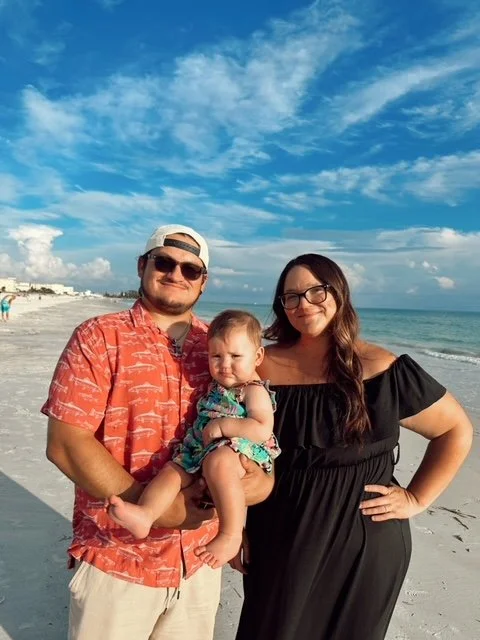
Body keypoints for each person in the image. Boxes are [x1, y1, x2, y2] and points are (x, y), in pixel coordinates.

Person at [43, 224, 273, 640]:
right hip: (117, 557)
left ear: (203, 283)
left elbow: (257, 434)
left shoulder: (221, 346)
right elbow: (66, 444)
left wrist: (254, 487)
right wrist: (152, 509)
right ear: (142, 266)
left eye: (191, 269)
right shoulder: (98, 336)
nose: (176, 274)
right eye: (164, 262)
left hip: (199, 562)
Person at [233, 253, 473, 640]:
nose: (303, 304)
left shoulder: (380, 368)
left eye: (316, 290)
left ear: (338, 293)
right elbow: (235, 451)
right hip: (278, 542)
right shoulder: (260, 367)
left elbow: (455, 430)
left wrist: (416, 498)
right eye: (290, 296)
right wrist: (234, 526)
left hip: (365, 547)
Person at [107, 309, 280, 568]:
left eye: (235, 356)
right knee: (172, 470)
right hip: (201, 446)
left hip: (238, 448)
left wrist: (224, 425)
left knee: (218, 464)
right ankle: (146, 513)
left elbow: (262, 428)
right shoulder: (219, 386)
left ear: (257, 356)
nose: (224, 364)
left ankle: (231, 534)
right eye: (216, 356)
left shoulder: (252, 390)